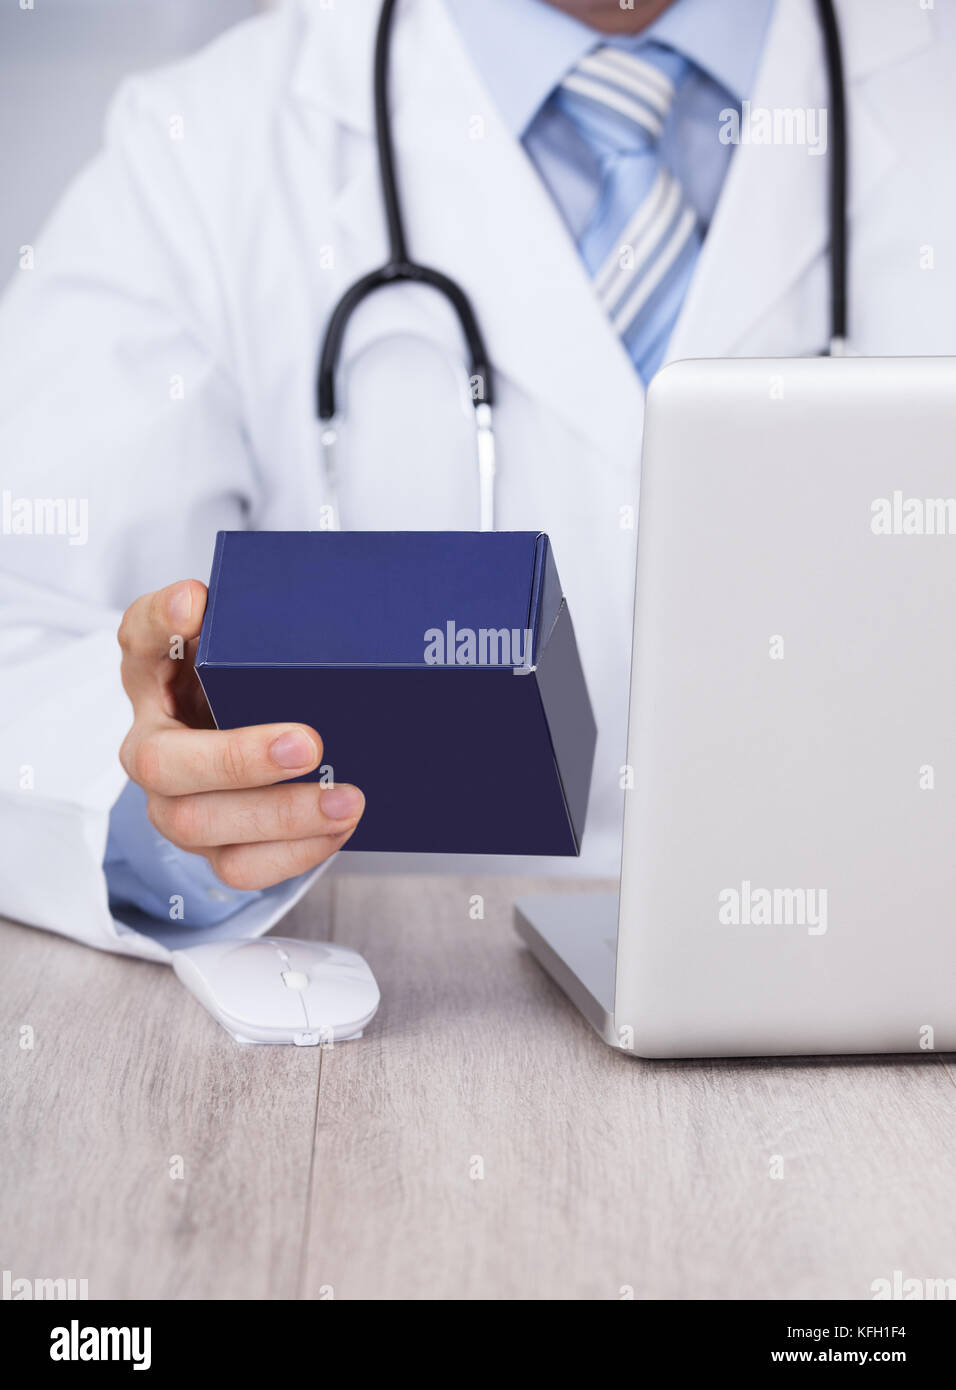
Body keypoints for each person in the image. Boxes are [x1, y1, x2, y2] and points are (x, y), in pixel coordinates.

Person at [0, 0, 953, 959]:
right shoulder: (203, 148)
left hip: (893, 991)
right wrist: (173, 810)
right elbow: (20, 645)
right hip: (398, 1024)